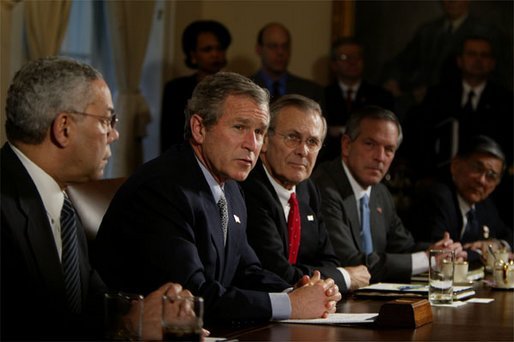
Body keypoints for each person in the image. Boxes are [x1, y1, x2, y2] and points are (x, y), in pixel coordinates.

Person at [94, 72, 341, 325]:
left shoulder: (230, 187)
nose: (252, 144)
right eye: (239, 127)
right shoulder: (163, 188)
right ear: (199, 128)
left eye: (259, 132)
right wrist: (290, 305)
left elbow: (247, 270)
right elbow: (193, 297)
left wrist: (297, 290)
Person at [0, 57, 184, 340]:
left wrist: (149, 309)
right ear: (64, 128)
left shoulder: (62, 201)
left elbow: (92, 302)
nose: (115, 134)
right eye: (107, 120)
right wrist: (128, 325)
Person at [311, 105, 466, 283]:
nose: (380, 157)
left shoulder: (380, 192)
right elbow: (350, 263)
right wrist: (428, 259)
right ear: (346, 145)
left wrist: (441, 251)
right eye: (370, 144)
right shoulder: (323, 187)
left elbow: (402, 246)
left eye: (389, 149)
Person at [241, 94, 370, 294]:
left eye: (312, 142)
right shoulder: (248, 187)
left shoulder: (307, 189)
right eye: (293, 137)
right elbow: (277, 272)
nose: (303, 151)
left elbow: (329, 259)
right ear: (265, 140)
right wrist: (345, 276)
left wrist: (329, 275)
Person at [408, 135, 512, 265]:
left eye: (491, 176)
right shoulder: (437, 197)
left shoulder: (485, 206)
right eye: (477, 168)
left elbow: (508, 236)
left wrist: (497, 244)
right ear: (455, 165)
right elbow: (442, 252)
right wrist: (484, 252)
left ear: (497, 183)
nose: (481, 180)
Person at [382, 0, 509, 104]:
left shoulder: (486, 32)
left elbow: (500, 74)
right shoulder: (428, 31)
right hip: (424, 99)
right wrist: (394, 79)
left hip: (464, 100)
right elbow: (403, 61)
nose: (451, 2)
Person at [160, 20, 231, 152]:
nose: (215, 54)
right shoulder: (175, 89)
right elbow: (169, 136)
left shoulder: (236, 88)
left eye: (219, 48)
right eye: (207, 49)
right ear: (193, 55)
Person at [322, 37, 394, 162]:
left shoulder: (381, 97)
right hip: (330, 162)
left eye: (356, 57)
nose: (352, 62)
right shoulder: (322, 95)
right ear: (334, 64)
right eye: (345, 57)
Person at [252, 22, 324, 105]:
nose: (280, 52)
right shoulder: (245, 90)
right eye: (273, 46)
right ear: (259, 49)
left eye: (285, 46)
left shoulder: (311, 91)